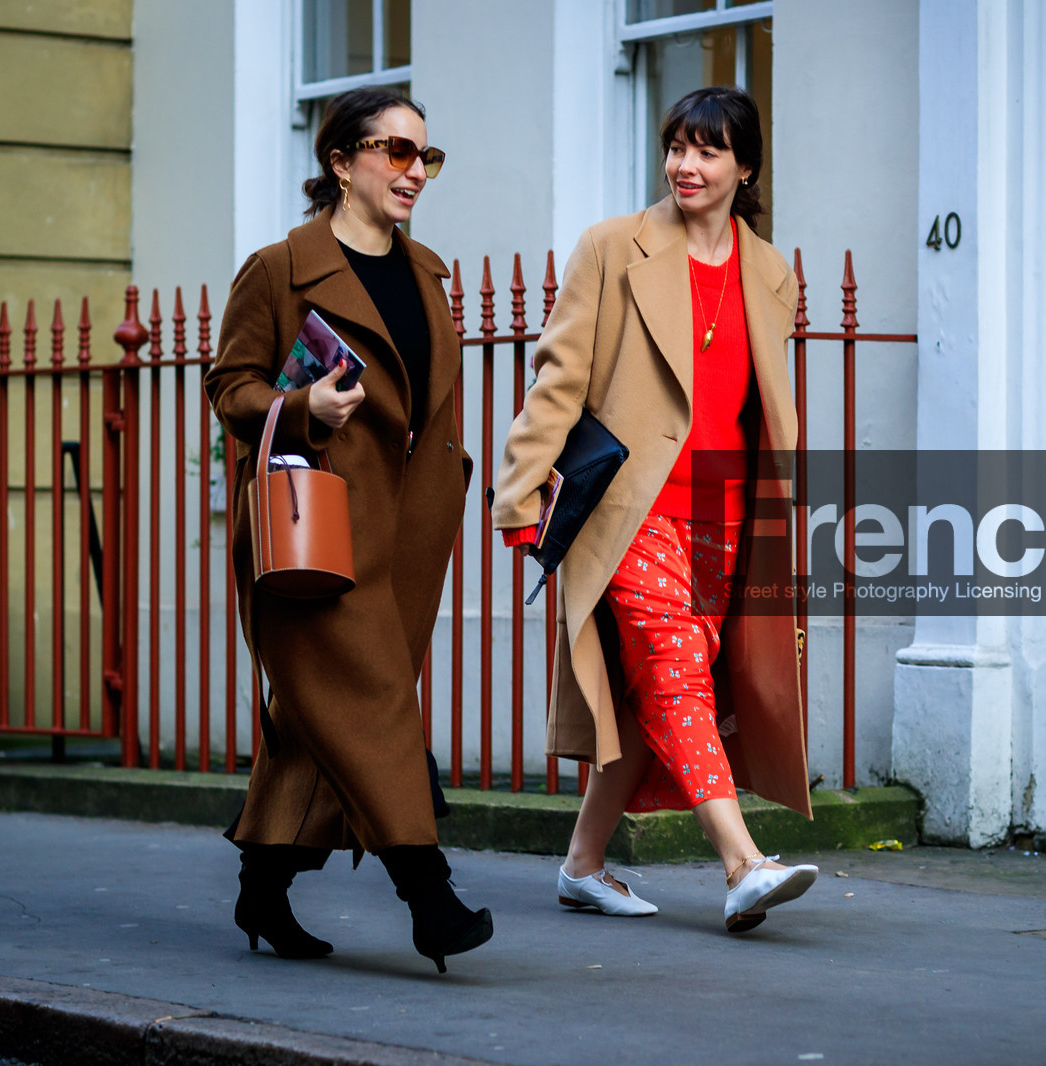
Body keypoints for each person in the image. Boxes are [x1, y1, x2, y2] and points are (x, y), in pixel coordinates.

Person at [492, 86, 817, 933]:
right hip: (631, 510)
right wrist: (519, 495)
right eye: (677, 146)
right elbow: (557, 380)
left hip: (727, 512)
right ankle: (743, 863)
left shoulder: (771, 271)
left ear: (745, 168)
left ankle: (582, 864)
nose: (686, 164)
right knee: (673, 670)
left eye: (708, 150)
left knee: (657, 694)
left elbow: (765, 408)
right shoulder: (613, 248)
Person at [205, 87, 491, 972]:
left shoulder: (428, 272)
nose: (414, 173)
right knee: (373, 707)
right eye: (396, 152)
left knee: (320, 719)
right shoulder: (280, 267)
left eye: (425, 157)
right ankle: (429, 897)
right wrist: (301, 407)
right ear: (340, 161)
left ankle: (262, 888)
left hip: (404, 534)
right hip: (315, 527)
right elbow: (230, 387)